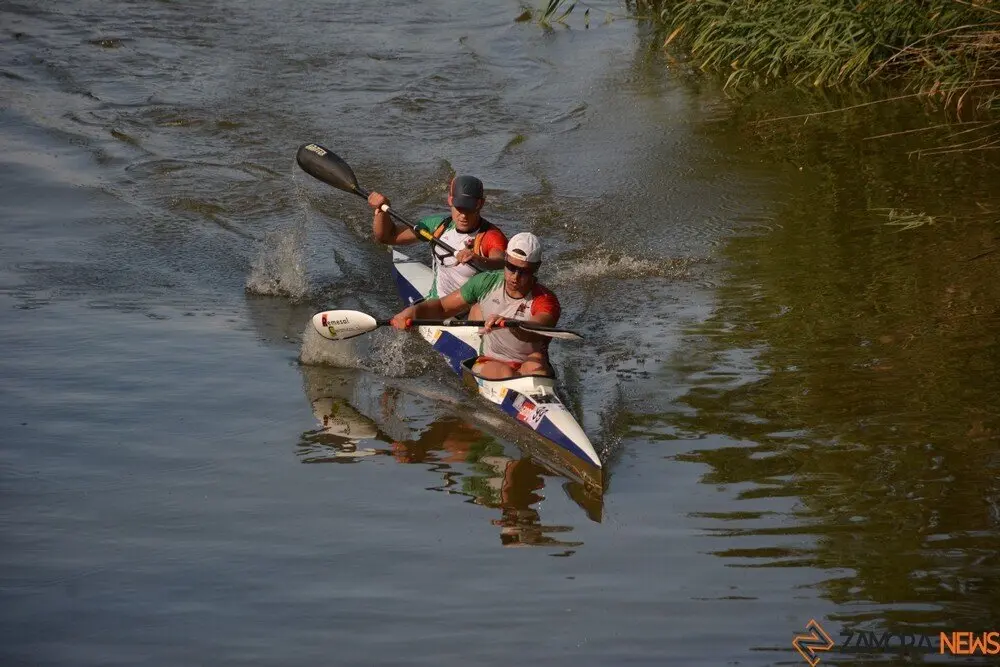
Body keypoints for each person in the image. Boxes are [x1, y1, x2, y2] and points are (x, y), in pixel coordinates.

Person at [388, 232, 560, 380]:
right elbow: (442, 307)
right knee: (506, 373)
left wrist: (511, 323)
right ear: (505, 259)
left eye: (524, 271)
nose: (515, 276)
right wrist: (410, 312)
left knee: (538, 368)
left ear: (536, 268)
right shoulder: (486, 282)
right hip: (493, 360)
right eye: (511, 267)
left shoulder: (546, 300)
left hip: (529, 362)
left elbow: (536, 329)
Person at [368, 175, 508, 298]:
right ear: (450, 201)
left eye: (470, 209)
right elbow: (388, 237)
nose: (463, 216)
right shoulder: (438, 226)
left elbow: (501, 262)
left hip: (472, 311)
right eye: (459, 208)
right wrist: (382, 210)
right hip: (438, 305)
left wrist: (477, 259)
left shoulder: (491, 236)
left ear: (481, 204)